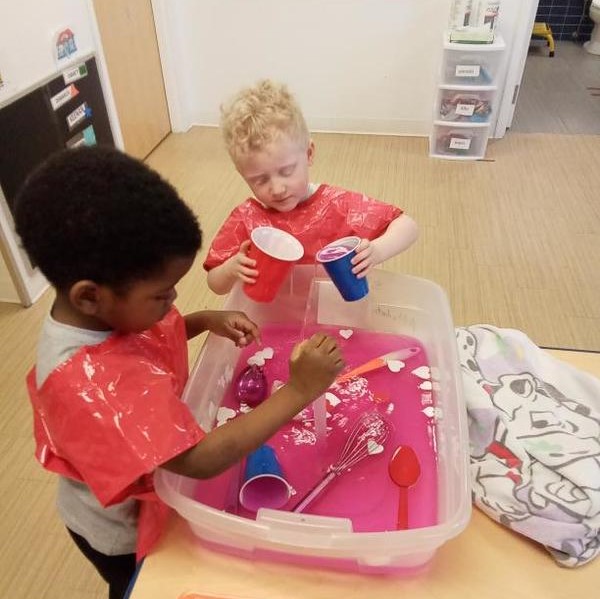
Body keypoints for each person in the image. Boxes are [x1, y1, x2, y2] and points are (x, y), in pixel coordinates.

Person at [14, 146, 343, 599]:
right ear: (90, 296)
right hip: (121, 533)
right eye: (161, 294)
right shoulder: (92, 381)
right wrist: (302, 389)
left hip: (150, 452)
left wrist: (204, 320)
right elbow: (197, 459)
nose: (172, 302)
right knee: (141, 587)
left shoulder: (103, 313)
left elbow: (145, 339)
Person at [204, 79, 418, 295]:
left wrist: (378, 251)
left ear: (309, 154)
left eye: (286, 171)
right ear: (243, 176)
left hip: (334, 309)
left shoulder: (337, 205)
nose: (277, 189)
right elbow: (214, 283)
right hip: (274, 317)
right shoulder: (247, 218)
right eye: (260, 180)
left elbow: (407, 226)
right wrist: (231, 270)